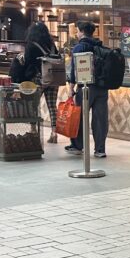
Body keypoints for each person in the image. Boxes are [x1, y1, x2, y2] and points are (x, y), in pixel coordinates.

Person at [66, 21, 109, 159]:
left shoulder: (79, 47)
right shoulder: (100, 45)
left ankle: (78, 146)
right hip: (102, 87)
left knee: (79, 117)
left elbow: (75, 69)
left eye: (77, 31)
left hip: (86, 87)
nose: (76, 33)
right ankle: (100, 149)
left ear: (82, 31)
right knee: (100, 119)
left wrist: (71, 88)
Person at [23, 21, 61, 144]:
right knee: (52, 106)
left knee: (33, 105)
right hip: (53, 78)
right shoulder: (51, 44)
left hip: (37, 79)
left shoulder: (31, 45)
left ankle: (33, 130)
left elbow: (28, 62)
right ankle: (54, 133)